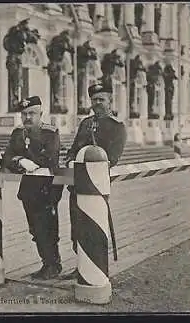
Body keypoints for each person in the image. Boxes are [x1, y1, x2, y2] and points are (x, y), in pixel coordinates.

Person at [62, 80, 127, 279]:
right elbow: (73, 150)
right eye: (93, 99)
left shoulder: (117, 127)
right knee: (77, 227)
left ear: (110, 101)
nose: (97, 103)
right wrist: (70, 161)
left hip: (97, 187)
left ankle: (96, 267)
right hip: (76, 185)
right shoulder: (85, 123)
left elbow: (113, 158)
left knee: (95, 227)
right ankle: (81, 265)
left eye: (101, 99)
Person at [1, 96, 64, 280]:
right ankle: (47, 263)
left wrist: (29, 161)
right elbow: (7, 157)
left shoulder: (50, 133)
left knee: (49, 227)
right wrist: (20, 160)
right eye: (24, 114)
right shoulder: (17, 133)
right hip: (29, 189)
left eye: (32, 113)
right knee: (35, 229)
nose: (28, 117)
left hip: (49, 188)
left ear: (41, 114)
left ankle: (54, 264)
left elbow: (50, 158)